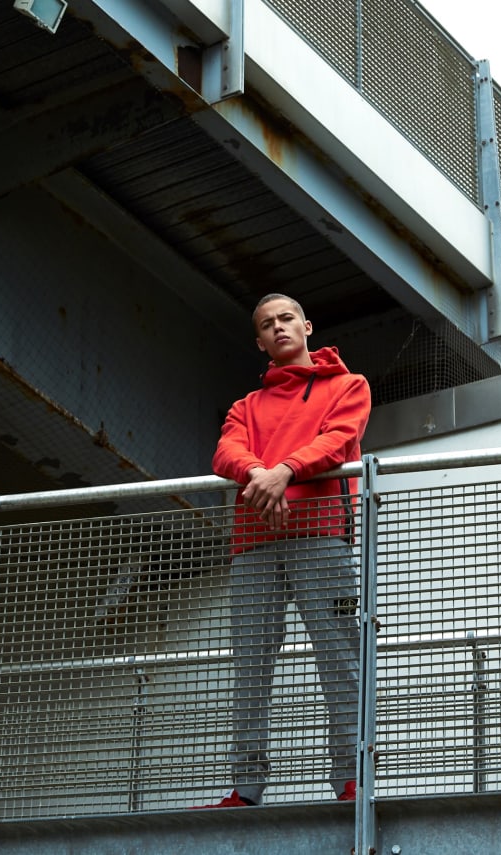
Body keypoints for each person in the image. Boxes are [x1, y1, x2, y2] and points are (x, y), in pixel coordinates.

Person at [197, 293, 371, 808]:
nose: (279, 327)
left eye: (287, 318)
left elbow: (338, 439)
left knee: (340, 656)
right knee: (250, 667)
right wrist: (261, 474)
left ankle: (352, 781)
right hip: (254, 547)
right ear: (259, 342)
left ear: (307, 326)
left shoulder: (347, 385)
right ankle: (246, 788)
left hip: (323, 537)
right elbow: (226, 451)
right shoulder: (245, 407)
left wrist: (284, 471)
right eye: (268, 324)